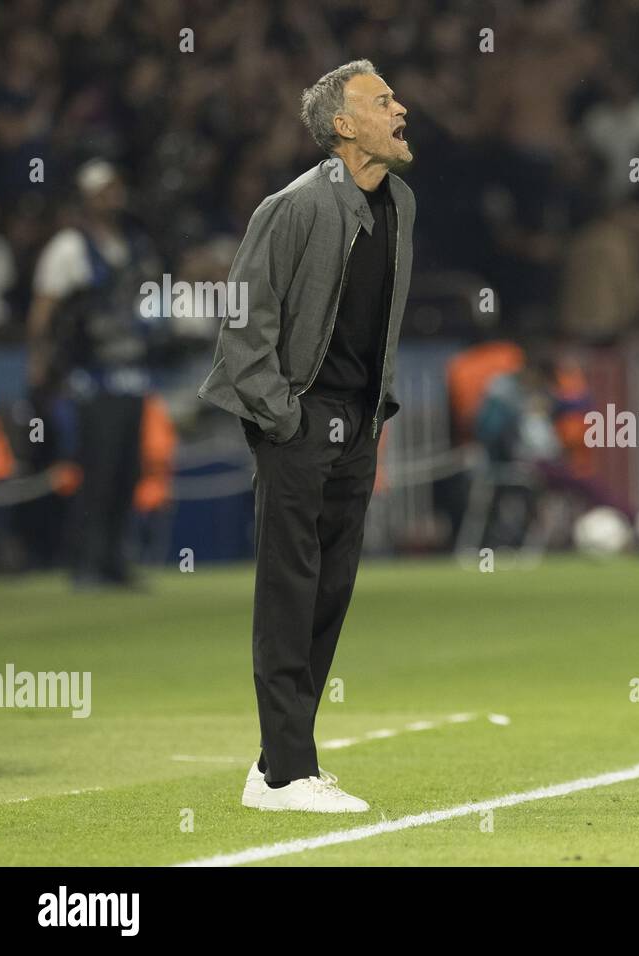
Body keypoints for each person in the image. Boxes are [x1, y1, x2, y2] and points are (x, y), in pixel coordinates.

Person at [198, 60, 415, 813]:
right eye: (383, 100)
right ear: (343, 126)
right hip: (300, 420)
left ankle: (274, 763)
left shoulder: (401, 204)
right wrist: (281, 417)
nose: (402, 109)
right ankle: (290, 773)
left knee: (329, 591)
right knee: (290, 591)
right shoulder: (291, 207)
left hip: (357, 421)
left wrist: (370, 411)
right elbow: (244, 320)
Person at [27, 160, 164, 588]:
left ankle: (113, 561)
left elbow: (151, 301)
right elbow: (45, 310)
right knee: (97, 469)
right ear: (86, 197)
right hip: (90, 375)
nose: (113, 197)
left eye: (116, 188)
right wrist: (41, 362)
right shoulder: (70, 247)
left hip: (131, 373)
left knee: (126, 469)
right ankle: (85, 562)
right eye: (103, 190)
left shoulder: (135, 245)